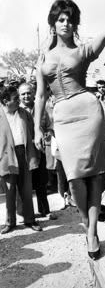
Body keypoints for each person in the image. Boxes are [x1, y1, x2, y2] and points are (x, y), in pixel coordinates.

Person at [34, 0, 105, 260]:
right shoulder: (42, 58)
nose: (66, 23)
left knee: (94, 177)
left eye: (70, 19)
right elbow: (39, 96)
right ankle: (86, 221)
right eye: (61, 18)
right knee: (74, 182)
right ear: (53, 22)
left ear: (75, 24)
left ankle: (92, 231)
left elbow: (104, 36)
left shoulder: (82, 50)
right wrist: (37, 128)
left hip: (88, 113)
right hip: (63, 119)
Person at [0, 86, 42, 234]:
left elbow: (33, 132)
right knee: (10, 191)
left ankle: (30, 220)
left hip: (24, 154)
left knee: (26, 189)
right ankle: (10, 222)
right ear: (5, 101)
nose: (19, 101)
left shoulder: (24, 113)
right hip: (6, 157)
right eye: (15, 99)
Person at [18, 83, 57, 220]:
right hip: (23, 153)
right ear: (19, 96)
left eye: (29, 93)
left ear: (34, 93)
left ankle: (45, 210)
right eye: (23, 94)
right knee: (25, 184)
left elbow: (50, 126)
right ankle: (26, 213)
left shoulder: (42, 109)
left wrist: (47, 133)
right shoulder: (16, 111)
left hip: (39, 151)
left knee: (41, 182)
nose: (26, 96)